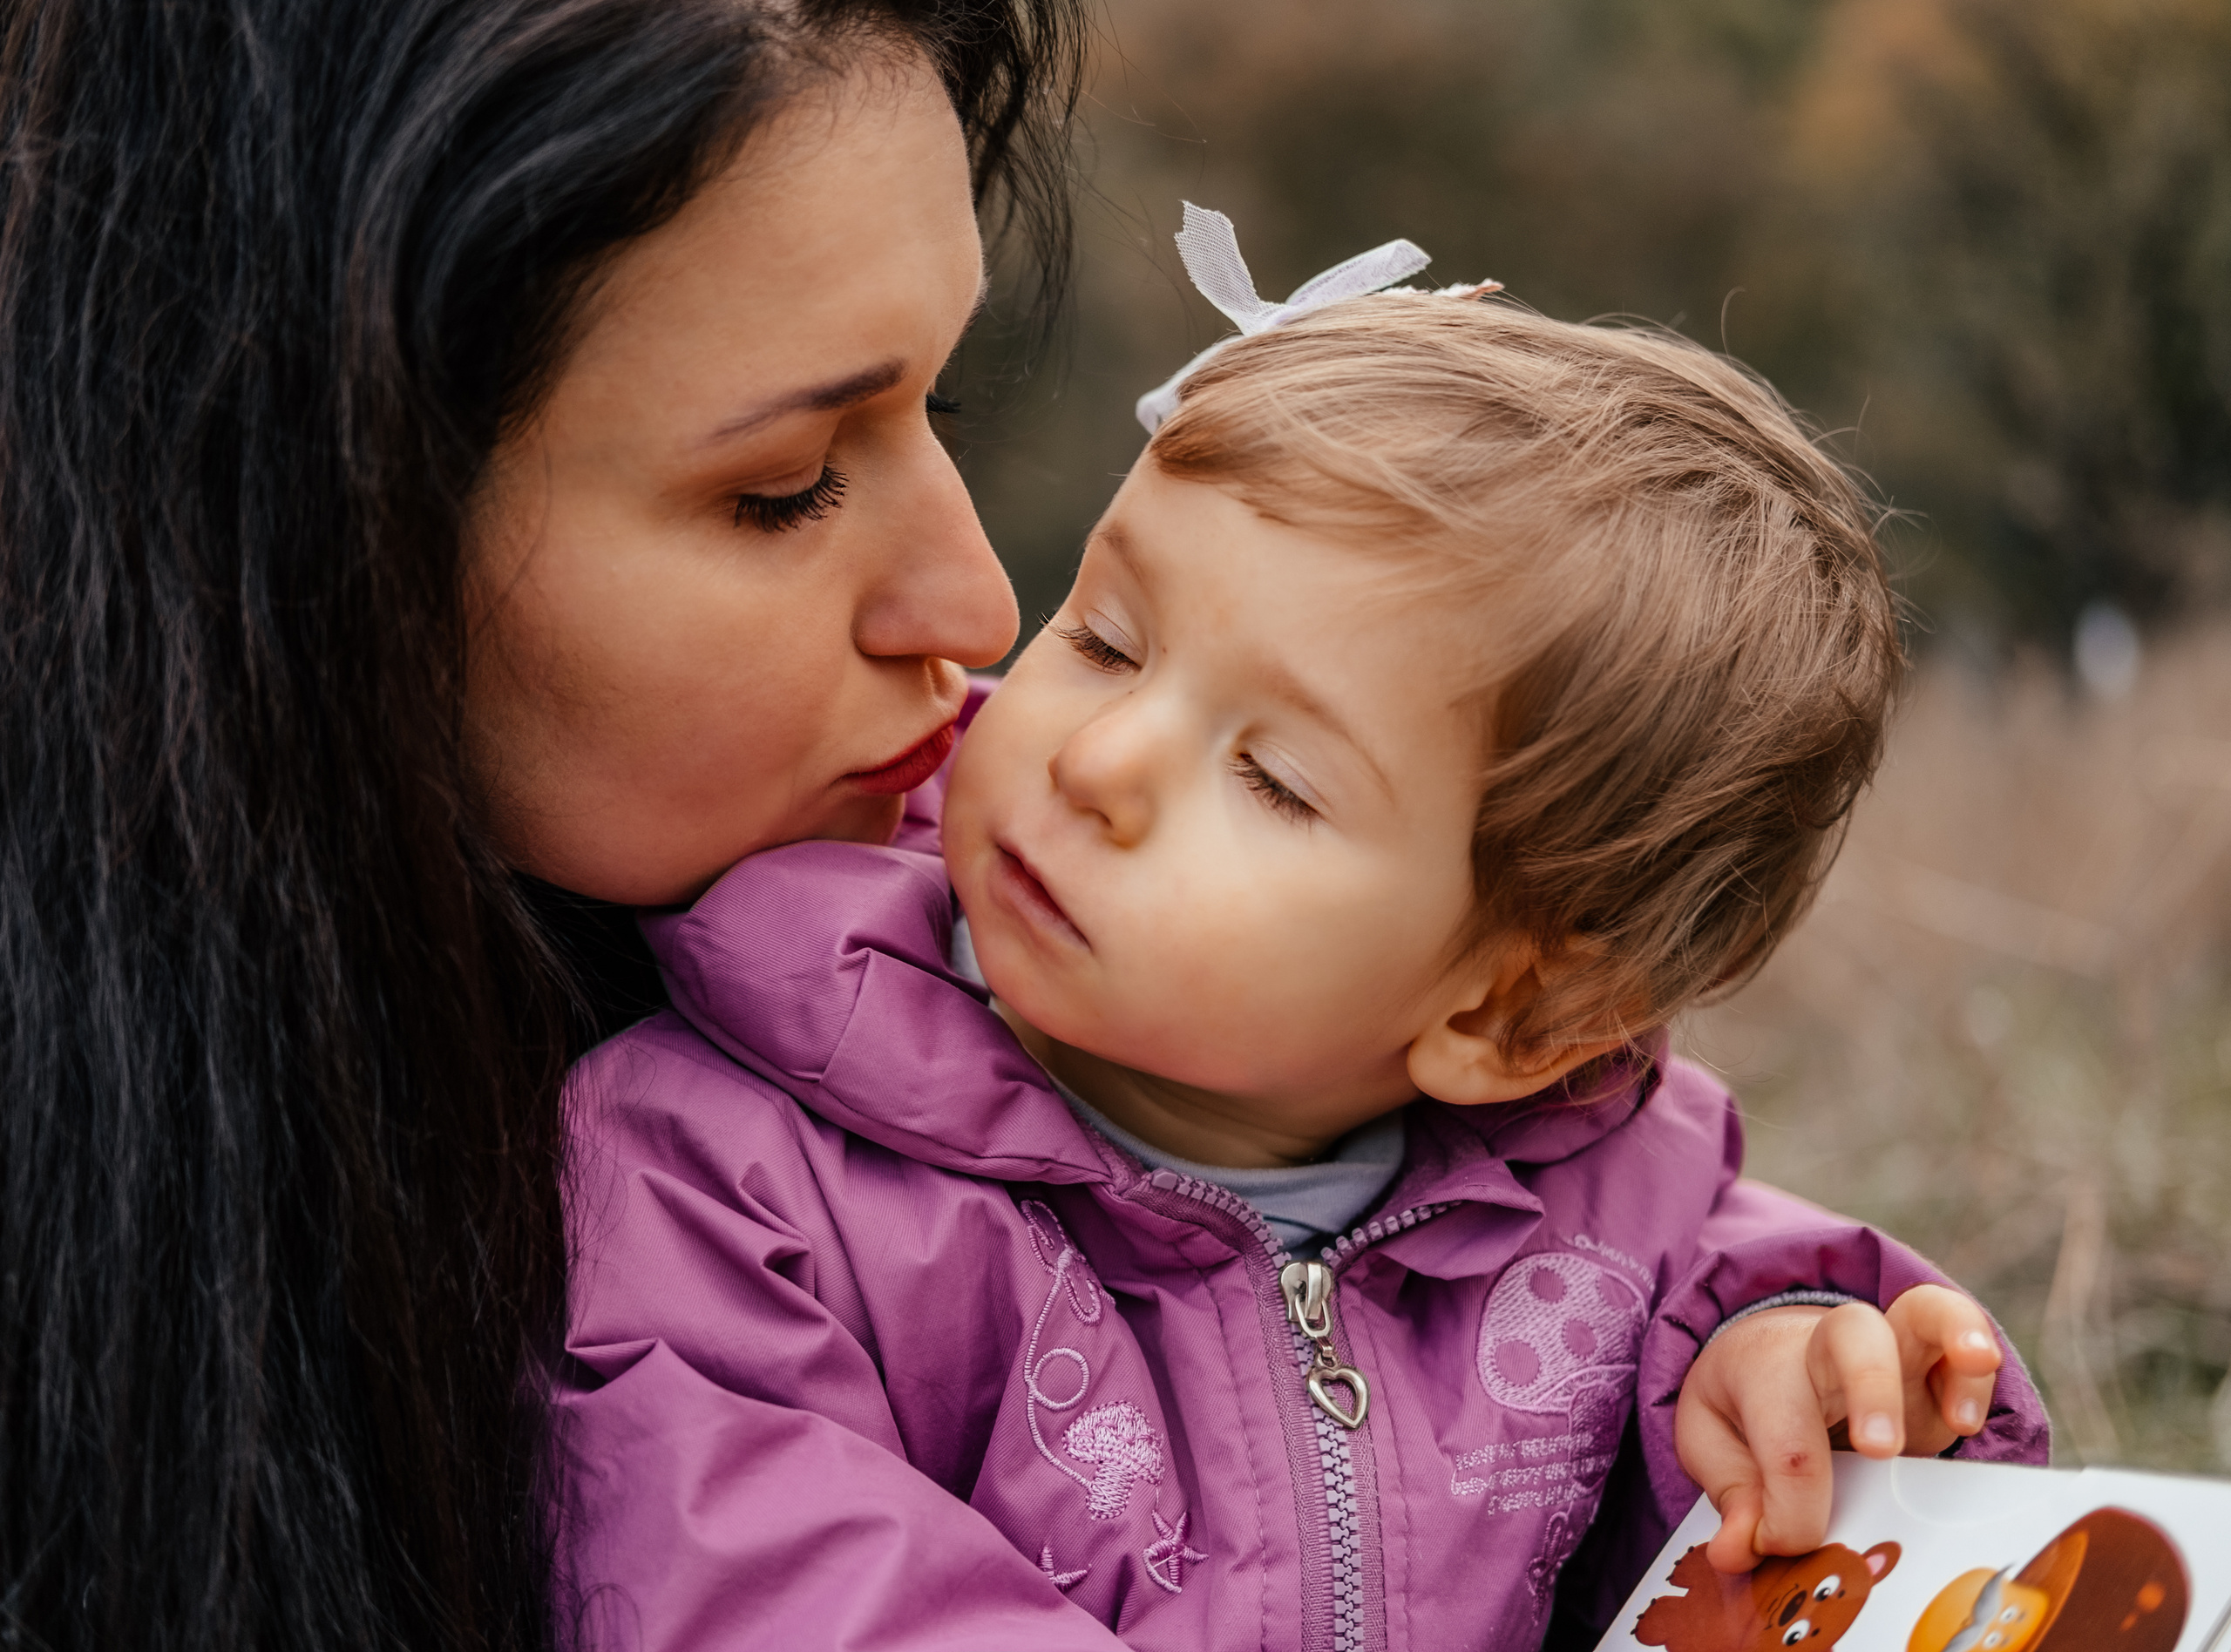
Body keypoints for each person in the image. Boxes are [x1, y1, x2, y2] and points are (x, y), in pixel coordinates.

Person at [554, 213, 2052, 1649]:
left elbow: (1840, 1519)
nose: (1096, 761)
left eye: (1272, 780)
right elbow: (773, 1593)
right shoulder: (730, 1180)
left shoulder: (1616, 1242)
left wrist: (1800, 1406)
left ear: (1511, 1016)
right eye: (1106, 636)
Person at [0, 3, 1083, 1647]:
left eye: (943, 407)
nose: (979, 602)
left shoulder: (1063, 947)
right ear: (297, 512)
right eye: (785, 483)